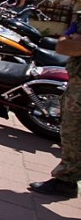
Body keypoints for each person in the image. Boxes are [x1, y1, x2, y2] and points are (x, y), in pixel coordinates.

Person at [30, 10, 81, 198]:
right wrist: (70, 42)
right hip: (76, 84)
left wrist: (73, 42)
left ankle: (66, 180)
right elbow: (63, 46)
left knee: (73, 133)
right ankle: (66, 181)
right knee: (70, 133)